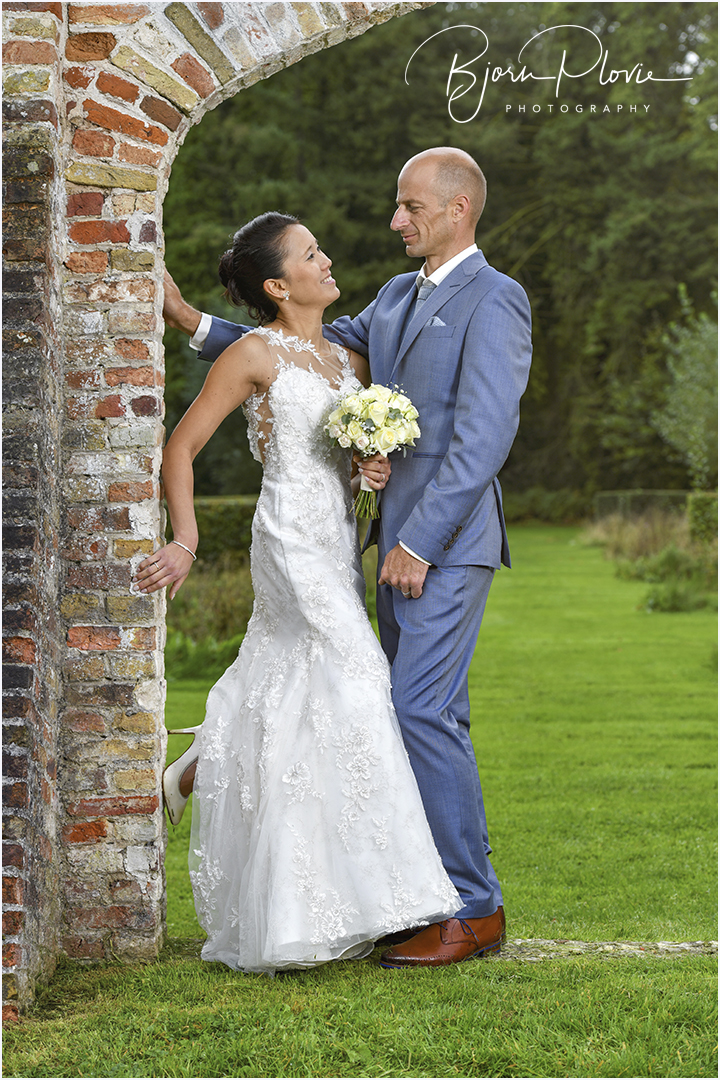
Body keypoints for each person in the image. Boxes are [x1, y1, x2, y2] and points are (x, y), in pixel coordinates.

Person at [163, 147, 533, 968]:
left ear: (458, 209)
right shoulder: (396, 296)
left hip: (442, 545)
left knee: (417, 709)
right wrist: (193, 322)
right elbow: (296, 349)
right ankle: (415, 896)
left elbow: (484, 436)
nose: (395, 220)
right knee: (408, 708)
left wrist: (418, 542)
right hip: (370, 541)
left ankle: (472, 908)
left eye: (410, 207)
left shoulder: (495, 299)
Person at [135, 212, 461, 974]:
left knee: (302, 693)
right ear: (279, 286)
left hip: (336, 542)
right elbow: (181, 445)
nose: (327, 260)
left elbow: (344, 461)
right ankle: (394, 895)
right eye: (311, 254)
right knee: (361, 678)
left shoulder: (349, 361)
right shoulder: (254, 354)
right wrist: (185, 539)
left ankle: (200, 770)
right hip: (287, 540)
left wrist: (367, 470)